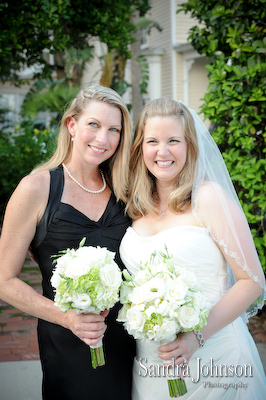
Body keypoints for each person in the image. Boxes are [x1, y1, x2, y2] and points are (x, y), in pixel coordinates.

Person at [119, 98, 266, 399]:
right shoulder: (134, 205)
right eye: (152, 141)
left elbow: (253, 281)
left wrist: (196, 337)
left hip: (216, 361)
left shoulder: (208, 198)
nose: (163, 151)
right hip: (151, 364)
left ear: (189, 145)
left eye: (174, 140)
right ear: (140, 148)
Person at [0, 84, 135, 400]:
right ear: (72, 125)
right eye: (94, 125)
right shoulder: (36, 189)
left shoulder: (127, 190)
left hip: (131, 342)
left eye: (114, 129)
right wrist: (68, 318)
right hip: (69, 344)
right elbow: (4, 280)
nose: (103, 138)